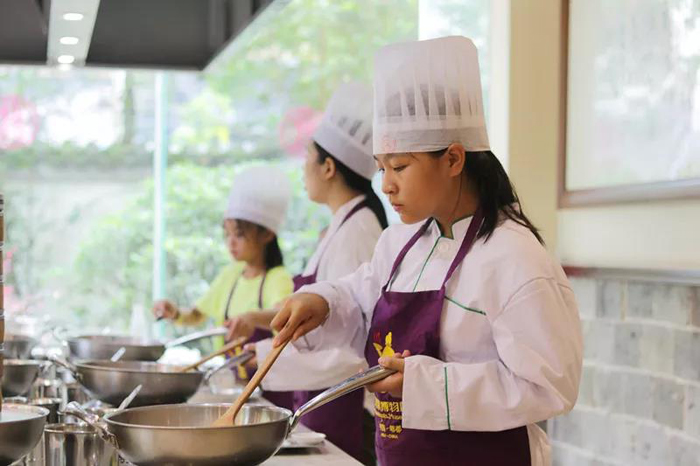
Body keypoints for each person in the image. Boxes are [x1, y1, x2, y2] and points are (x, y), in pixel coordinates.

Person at [270, 36, 583, 466]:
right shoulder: (400, 243)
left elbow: (550, 385)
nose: (387, 185)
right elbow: (361, 301)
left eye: (400, 167)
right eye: (382, 168)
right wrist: (323, 302)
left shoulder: (516, 259)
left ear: (453, 159)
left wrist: (426, 385)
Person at [227, 82, 387, 464]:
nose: (302, 169)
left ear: (329, 167)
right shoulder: (340, 225)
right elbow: (318, 310)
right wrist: (257, 320)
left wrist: (266, 358)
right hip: (322, 403)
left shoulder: (358, 231)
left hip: (344, 410)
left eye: (307, 158)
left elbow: (353, 348)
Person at [153, 165, 295, 409]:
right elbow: (197, 315)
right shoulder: (231, 274)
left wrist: (252, 318)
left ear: (267, 235)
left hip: (267, 395)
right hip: (232, 388)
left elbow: (284, 315)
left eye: (239, 235)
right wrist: (174, 312)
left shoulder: (278, 278)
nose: (230, 243)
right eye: (226, 234)